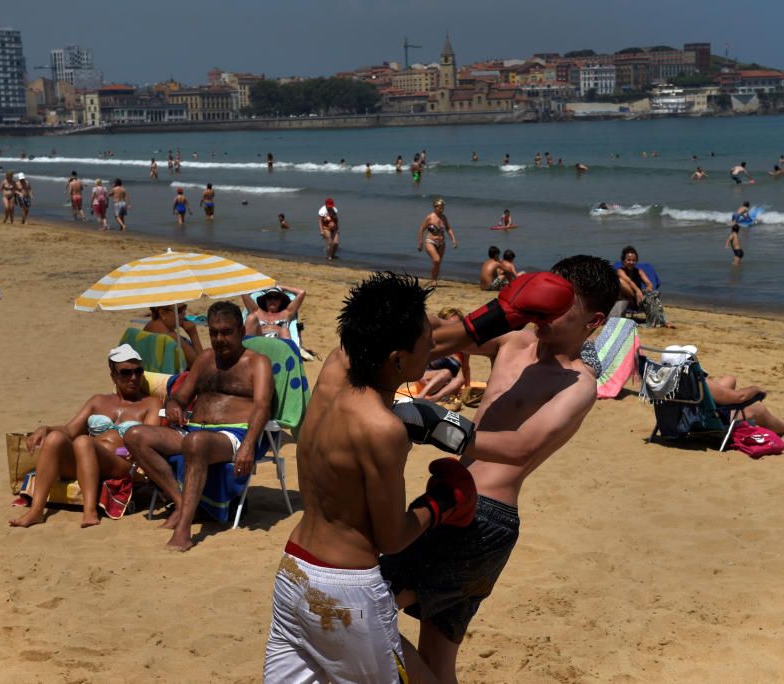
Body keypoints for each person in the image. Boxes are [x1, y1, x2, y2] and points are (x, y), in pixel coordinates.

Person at [380, 256, 619, 683]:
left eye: (561, 304)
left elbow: (521, 448)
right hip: (452, 498)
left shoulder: (577, 382)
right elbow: (433, 338)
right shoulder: (514, 341)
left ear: (594, 321)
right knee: (437, 660)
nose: (545, 309)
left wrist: (443, 427)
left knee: (367, 608)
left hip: (482, 519)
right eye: (545, 293)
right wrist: (478, 311)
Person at [263, 272, 475, 683]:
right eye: (425, 343)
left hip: (294, 572)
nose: (433, 347)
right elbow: (391, 538)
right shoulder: (382, 429)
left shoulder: (331, 373)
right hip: (345, 593)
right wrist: (441, 504)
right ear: (396, 359)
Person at [124, 302, 273, 550]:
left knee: (196, 441)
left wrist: (248, 446)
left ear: (240, 331)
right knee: (134, 435)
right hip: (193, 432)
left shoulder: (257, 363)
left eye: (226, 332)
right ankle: (182, 502)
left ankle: (183, 530)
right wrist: (173, 405)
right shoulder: (205, 359)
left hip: (231, 435)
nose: (219, 338)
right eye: (214, 332)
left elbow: (262, 407)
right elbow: (180, 397)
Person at [10, 345, 162, 528]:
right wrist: (46, 428)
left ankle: (89, 511)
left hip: (120, 462)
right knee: (55, 438)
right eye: (126, 373)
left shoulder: (150, 404)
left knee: (83, 441)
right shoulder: (98, 401)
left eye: (138, 371)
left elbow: (150, 437)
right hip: (85, 458)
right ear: (113, 375)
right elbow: (69, 430)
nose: (134, 377)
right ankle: (36, 511)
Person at [706, 372, 784, 435]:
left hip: (694, 409)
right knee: (759, 410)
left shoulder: (691, 376)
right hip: (709, 418)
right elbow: (740, 397)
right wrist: (755, 389)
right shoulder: (701, 381)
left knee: (729, 379)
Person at [413, 306, 472, 404]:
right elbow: (417, 362)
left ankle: (434, 399)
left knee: (460, 379)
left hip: (445, 386)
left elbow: (466, 368)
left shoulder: (463, 347)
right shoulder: (433, 340)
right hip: (425, 379)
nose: (453, 328)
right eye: (449, 324)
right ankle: (421, 396)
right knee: (446, 372)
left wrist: (468, 389)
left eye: (456, 325)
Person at [611, 246, 673, 327]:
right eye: (629, 260)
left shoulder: (639, 271)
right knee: (620, 281)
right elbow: (629, 282)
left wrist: (648, 290)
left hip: (639, 299)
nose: (631, 262)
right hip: (628, 298)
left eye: (634, 260)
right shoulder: (620, 271)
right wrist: (637, 290)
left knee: (651, 296)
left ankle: (664, 321)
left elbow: (649, 283)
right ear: (623, 261)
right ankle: (662, 321)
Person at [242, 285, 306, 339]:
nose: (272, 300)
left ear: (281, 301)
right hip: (259, 343)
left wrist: (280, 287)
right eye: (269, 297)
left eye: (276, 298)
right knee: (250, 318)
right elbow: (243, 292)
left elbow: (301, 292)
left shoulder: (286, 313)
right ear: (265, 300)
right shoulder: (257, 312)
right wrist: (262, 287)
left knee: (284, 330)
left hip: (279, 344)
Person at [418, 198, 458, 285]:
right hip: (430, 241)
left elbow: (448, 229)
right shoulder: (430, 217)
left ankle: (434, 280)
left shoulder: (444, 217)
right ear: (435, 207)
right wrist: (420, 243)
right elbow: (421, 229)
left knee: (438, 263)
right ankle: (433, 280)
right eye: (440, 208)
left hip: (442, 243)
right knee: (436, 260)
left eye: (443, 208)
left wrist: (454, 240)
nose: (441, 210)